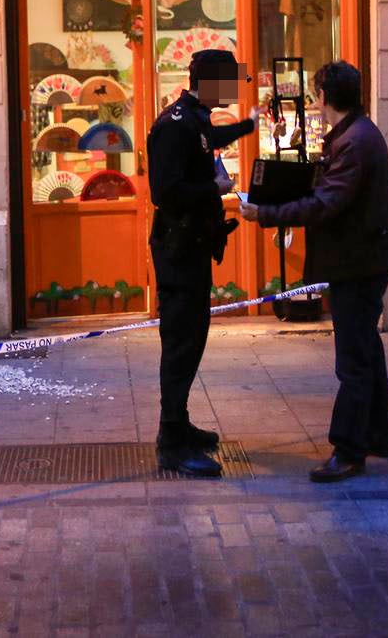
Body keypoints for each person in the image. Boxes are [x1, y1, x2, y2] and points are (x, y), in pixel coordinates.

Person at [242, 61, 388, 483]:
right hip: (362, 259)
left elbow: (327, 203)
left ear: (322, 97)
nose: (315, 102)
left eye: (316, 94)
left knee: (353, 358)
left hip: (359, 262)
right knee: (366, 347)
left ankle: (348, 450)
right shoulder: (355, 134)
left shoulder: (354, 141)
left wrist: (265, 212)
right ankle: (377, 433)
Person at [147, 49, 256, 477]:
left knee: (193, 339)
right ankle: (171, 443)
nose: (234, 87)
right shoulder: (175, 124)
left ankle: (178, 424)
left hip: (192, 247)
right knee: (180, 343)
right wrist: (213, 185)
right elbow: (165, 191)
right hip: (177, 250)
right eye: (229, 79)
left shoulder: (198, 120)